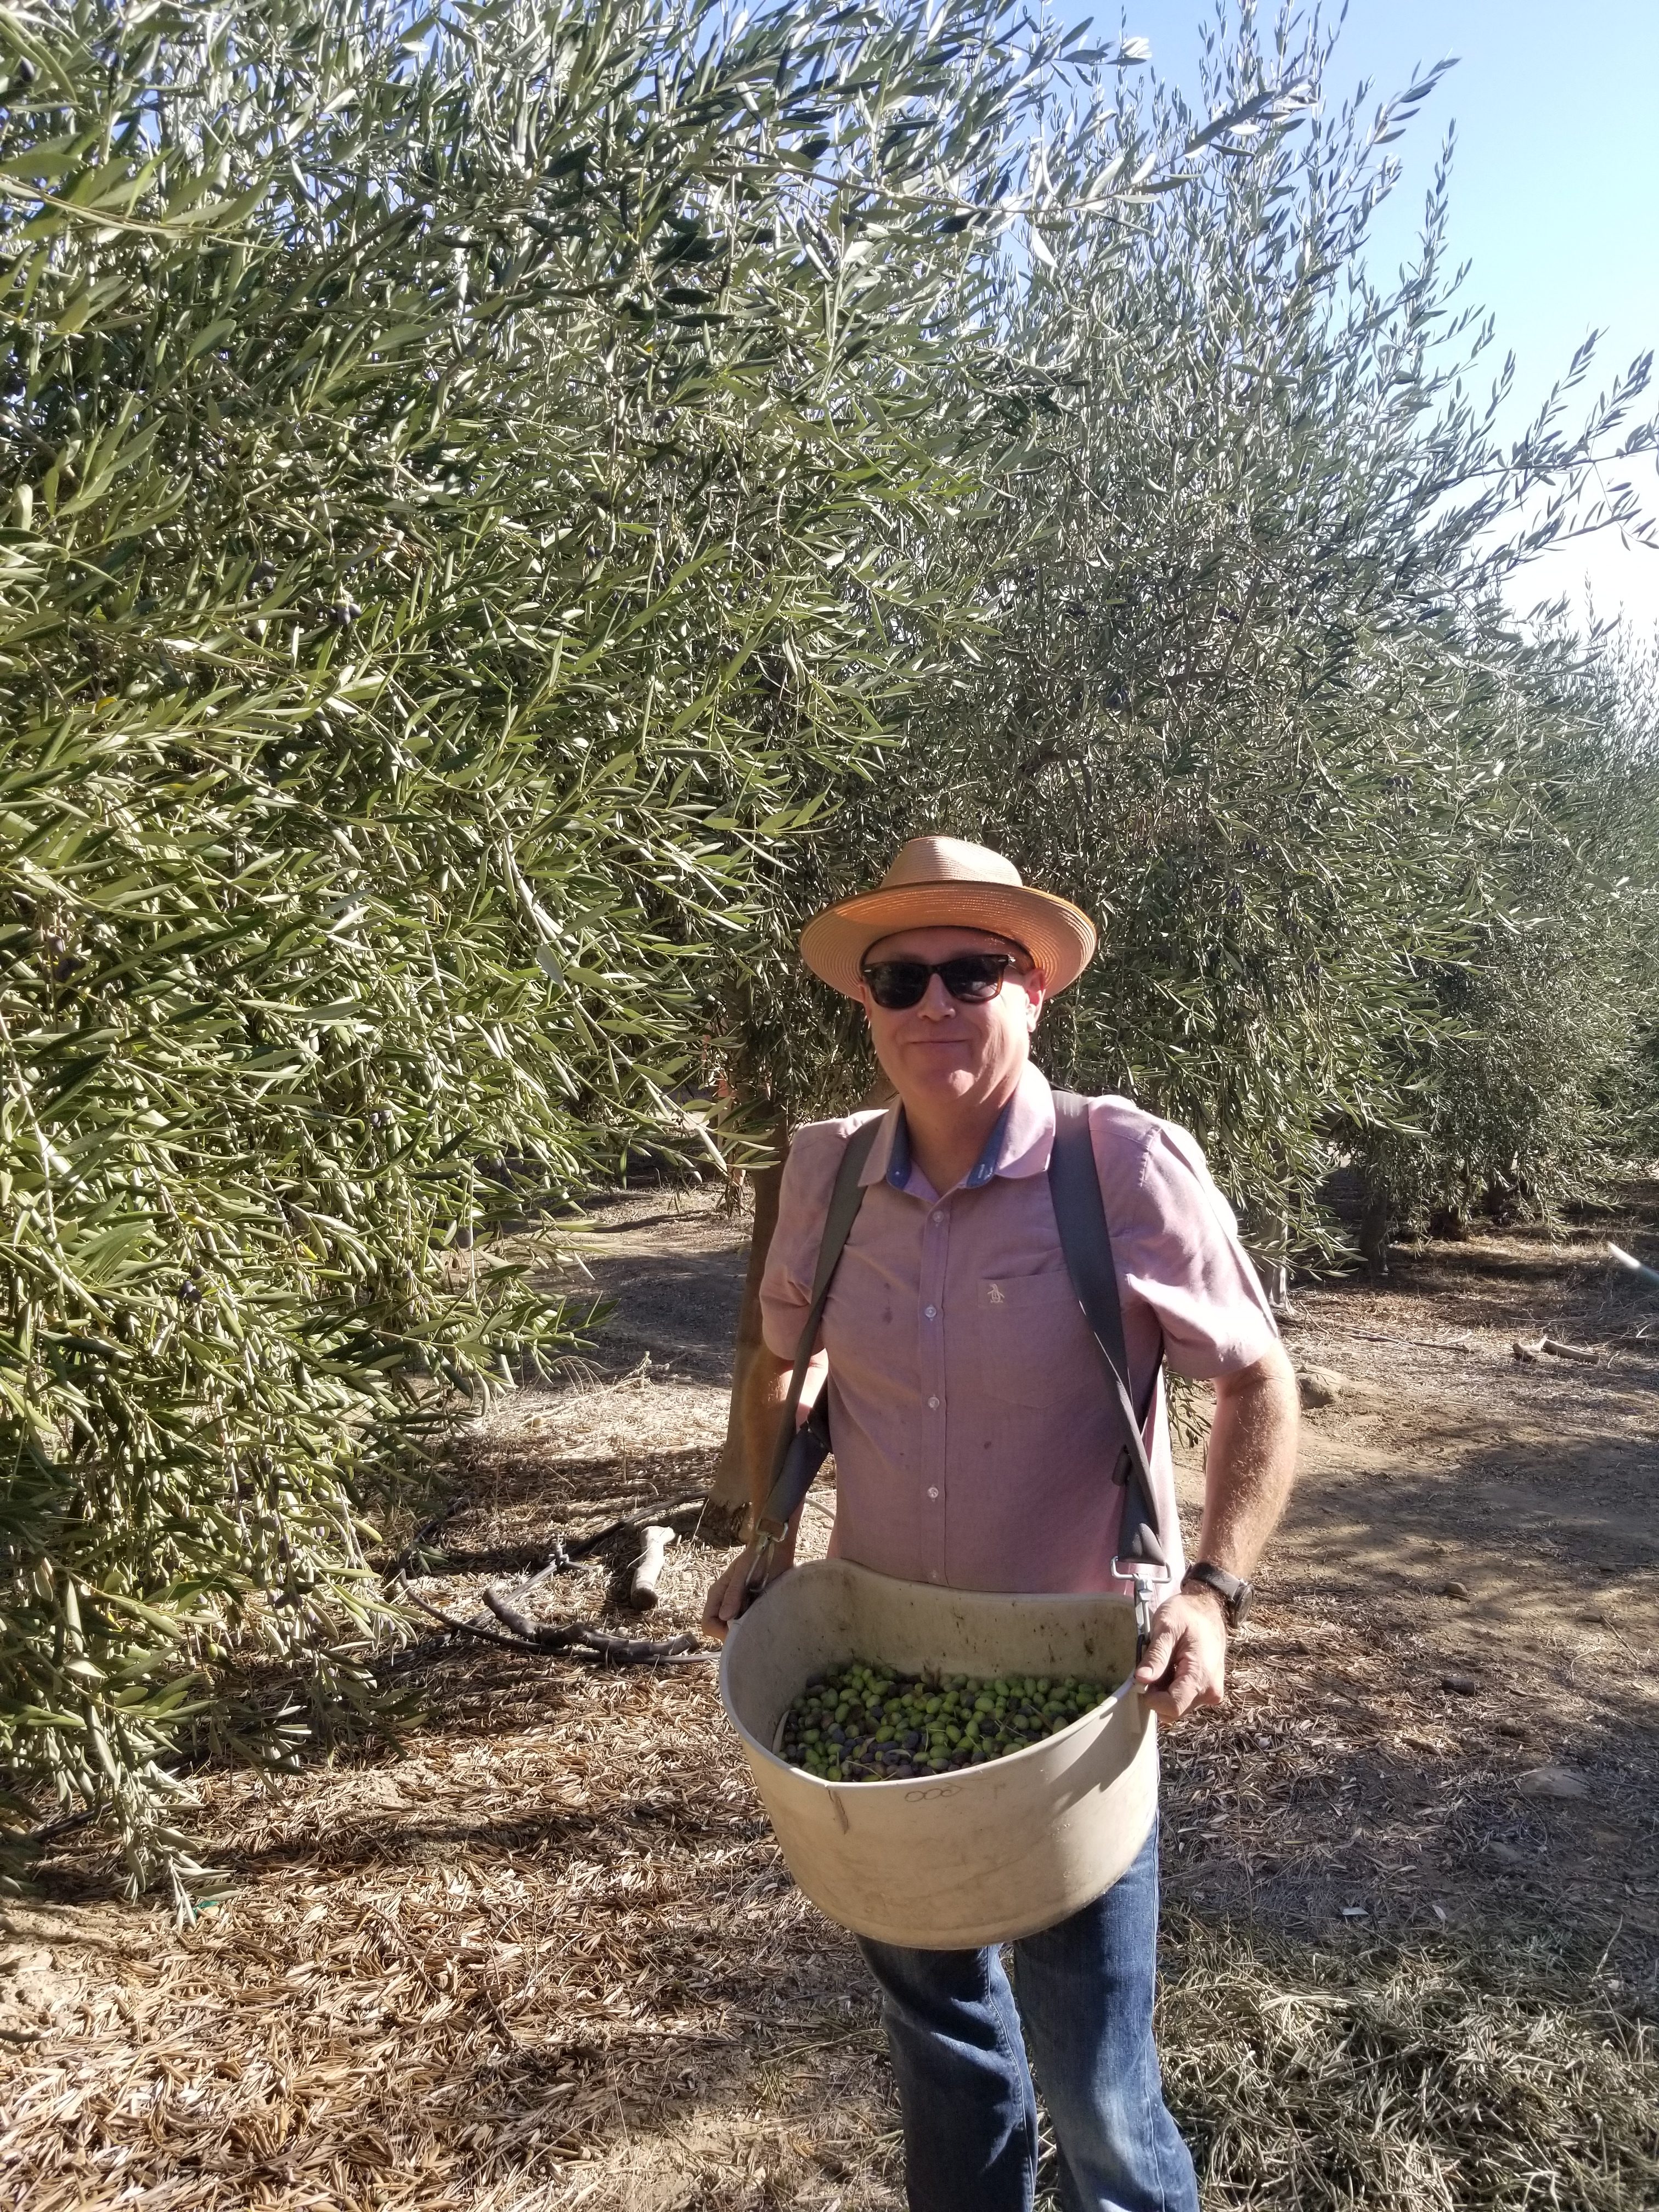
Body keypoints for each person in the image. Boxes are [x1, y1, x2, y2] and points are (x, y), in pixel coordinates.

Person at [703, 834, 1300, 2212]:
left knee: (1098, 2087)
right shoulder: (826, 1174)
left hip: (1077, 1700)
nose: (934, 1004)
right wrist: (770, 1536)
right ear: (868, 1007)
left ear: (1034, 990)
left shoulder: (1120, 1163)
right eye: (899, 978)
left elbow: (1257, 1377)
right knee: (947, 2054)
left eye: (972, 972)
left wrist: (1213, 1592)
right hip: (876, 1676)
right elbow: (780, 1364)